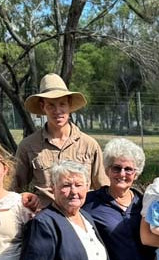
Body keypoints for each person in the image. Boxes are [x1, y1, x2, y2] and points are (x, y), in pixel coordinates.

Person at [13, 74, 108, 204]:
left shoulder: (89, 145)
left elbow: (103, 187)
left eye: (62, 104)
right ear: (42, 106)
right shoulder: (28, 146)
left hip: (80, 215)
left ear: (69, 105)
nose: (57, 111)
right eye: (51, 105)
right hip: (44, 216)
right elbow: (15, 187)